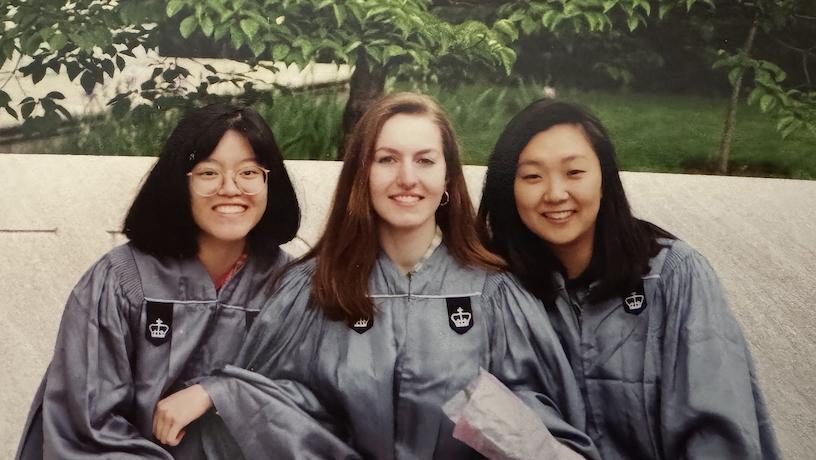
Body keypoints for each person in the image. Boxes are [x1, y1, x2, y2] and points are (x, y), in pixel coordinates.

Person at [152, 92, 599, 459]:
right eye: (386, 159)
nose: (407, 178)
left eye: (425, 160)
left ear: (448, 179)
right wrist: (222, 392)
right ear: (361, 175)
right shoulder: (312, 289)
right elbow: (280, 416)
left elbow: (546, 429)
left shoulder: (497, 294)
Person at [477, 99, 780, 459]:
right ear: (508, 188)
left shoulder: (675, 275)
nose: (555, 194)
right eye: (532, 176)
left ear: (605, 177)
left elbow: (718, 431)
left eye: (574, 173)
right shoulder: (503, 292)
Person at [15, 103, 301, 459]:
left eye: (249, 172)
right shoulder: (120, 282)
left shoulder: (293, 288)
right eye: (208, 173)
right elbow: (87, 427)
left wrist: (219, 392)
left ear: (268, 181)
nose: (231, 188)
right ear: (180, 184)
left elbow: (314, 406)